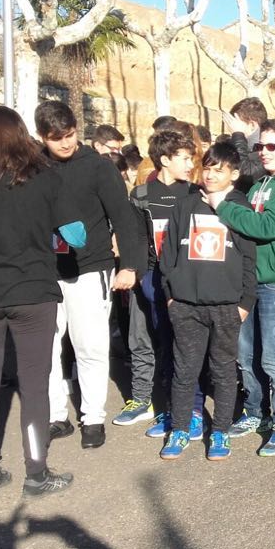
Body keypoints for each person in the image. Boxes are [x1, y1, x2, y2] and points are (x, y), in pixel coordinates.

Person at [203, 118, 275, 457]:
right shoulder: (260, 184)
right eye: (259, 146)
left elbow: (266, 226)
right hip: (251, 281)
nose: (263, 152)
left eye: (271, 146)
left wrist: (220, 205)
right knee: (245, 353)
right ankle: (255, 412)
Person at [37, 101, 141, 450]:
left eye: (69, 135)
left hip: (91, 267)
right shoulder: (33, 166)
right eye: (56, 138)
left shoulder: (98, 167)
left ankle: (93, 417)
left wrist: (129, 264)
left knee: (90, 345)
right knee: (46, 347)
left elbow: (123, 217)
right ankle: (55, 415)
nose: (65, 143)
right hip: (43, 271)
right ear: (42, 137)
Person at [0, 105, 83, 495]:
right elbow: (76, 236)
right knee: (33, 385)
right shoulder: (44, 178)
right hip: (33, 290)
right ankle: (36, 472)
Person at [158, 143, 257, 460]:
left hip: (227, 307)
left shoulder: (239, 208)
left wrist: (244, 303)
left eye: (220, 169)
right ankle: (180, 430)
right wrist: (171, 296)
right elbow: (168, 255)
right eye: (208, 168)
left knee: (224, 373)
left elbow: (248, 260)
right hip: (186, 305)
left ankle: (220, 433)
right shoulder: (184, 205)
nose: (212, 175)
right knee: (185, 372)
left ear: (234, 174)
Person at [114, 130, 201, 435]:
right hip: (147, 276)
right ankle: (142, 400)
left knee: (176, 343)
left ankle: (181, 407)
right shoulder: (140, 195)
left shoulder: (194, 194)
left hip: (182, 282)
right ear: (165, 160)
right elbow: (134, 237)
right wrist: (133, 271)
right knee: (142, 339)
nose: (191, 164)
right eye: (184, 158)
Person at [224, 97, 268, 192]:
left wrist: (238, 134)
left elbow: (245, 174)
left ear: (252, 125)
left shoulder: (268, 150)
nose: (232, 131)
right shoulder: (238, 144)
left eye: (235, 125)